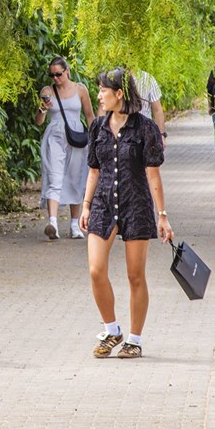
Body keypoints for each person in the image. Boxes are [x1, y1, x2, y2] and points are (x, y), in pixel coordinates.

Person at [79, 67, 173, 359]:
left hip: (136, 204)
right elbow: (94, 170)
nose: (99, 96)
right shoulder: (97, 127)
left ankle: (134, 339)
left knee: (135, 275)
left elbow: (153, 174)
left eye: (103, 91)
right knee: (96, 270)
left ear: (119, 94)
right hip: (103, 203)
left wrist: (162, 215)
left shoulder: (145, 128)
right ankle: (112, 329)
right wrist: (85, 205)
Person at [36, 57, 95, 239]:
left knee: (75, 178)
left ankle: (74, 224)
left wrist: (95, 140)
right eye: (52, 75)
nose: (55, 78)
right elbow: (38, 121)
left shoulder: (80, 90)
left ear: (67, 71)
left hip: (76, 137)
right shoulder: (47, 91)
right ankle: (52, 222)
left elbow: (90, 116)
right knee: (54, 176)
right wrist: (43, 109)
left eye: (58, 74)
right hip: (54, 137)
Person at [132, 69, 167, 146]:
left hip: (145, 133)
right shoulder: (114, 79)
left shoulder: (147, 79)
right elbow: (157, 109)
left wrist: (161, 135)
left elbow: (157, 109)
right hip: (123, 132)